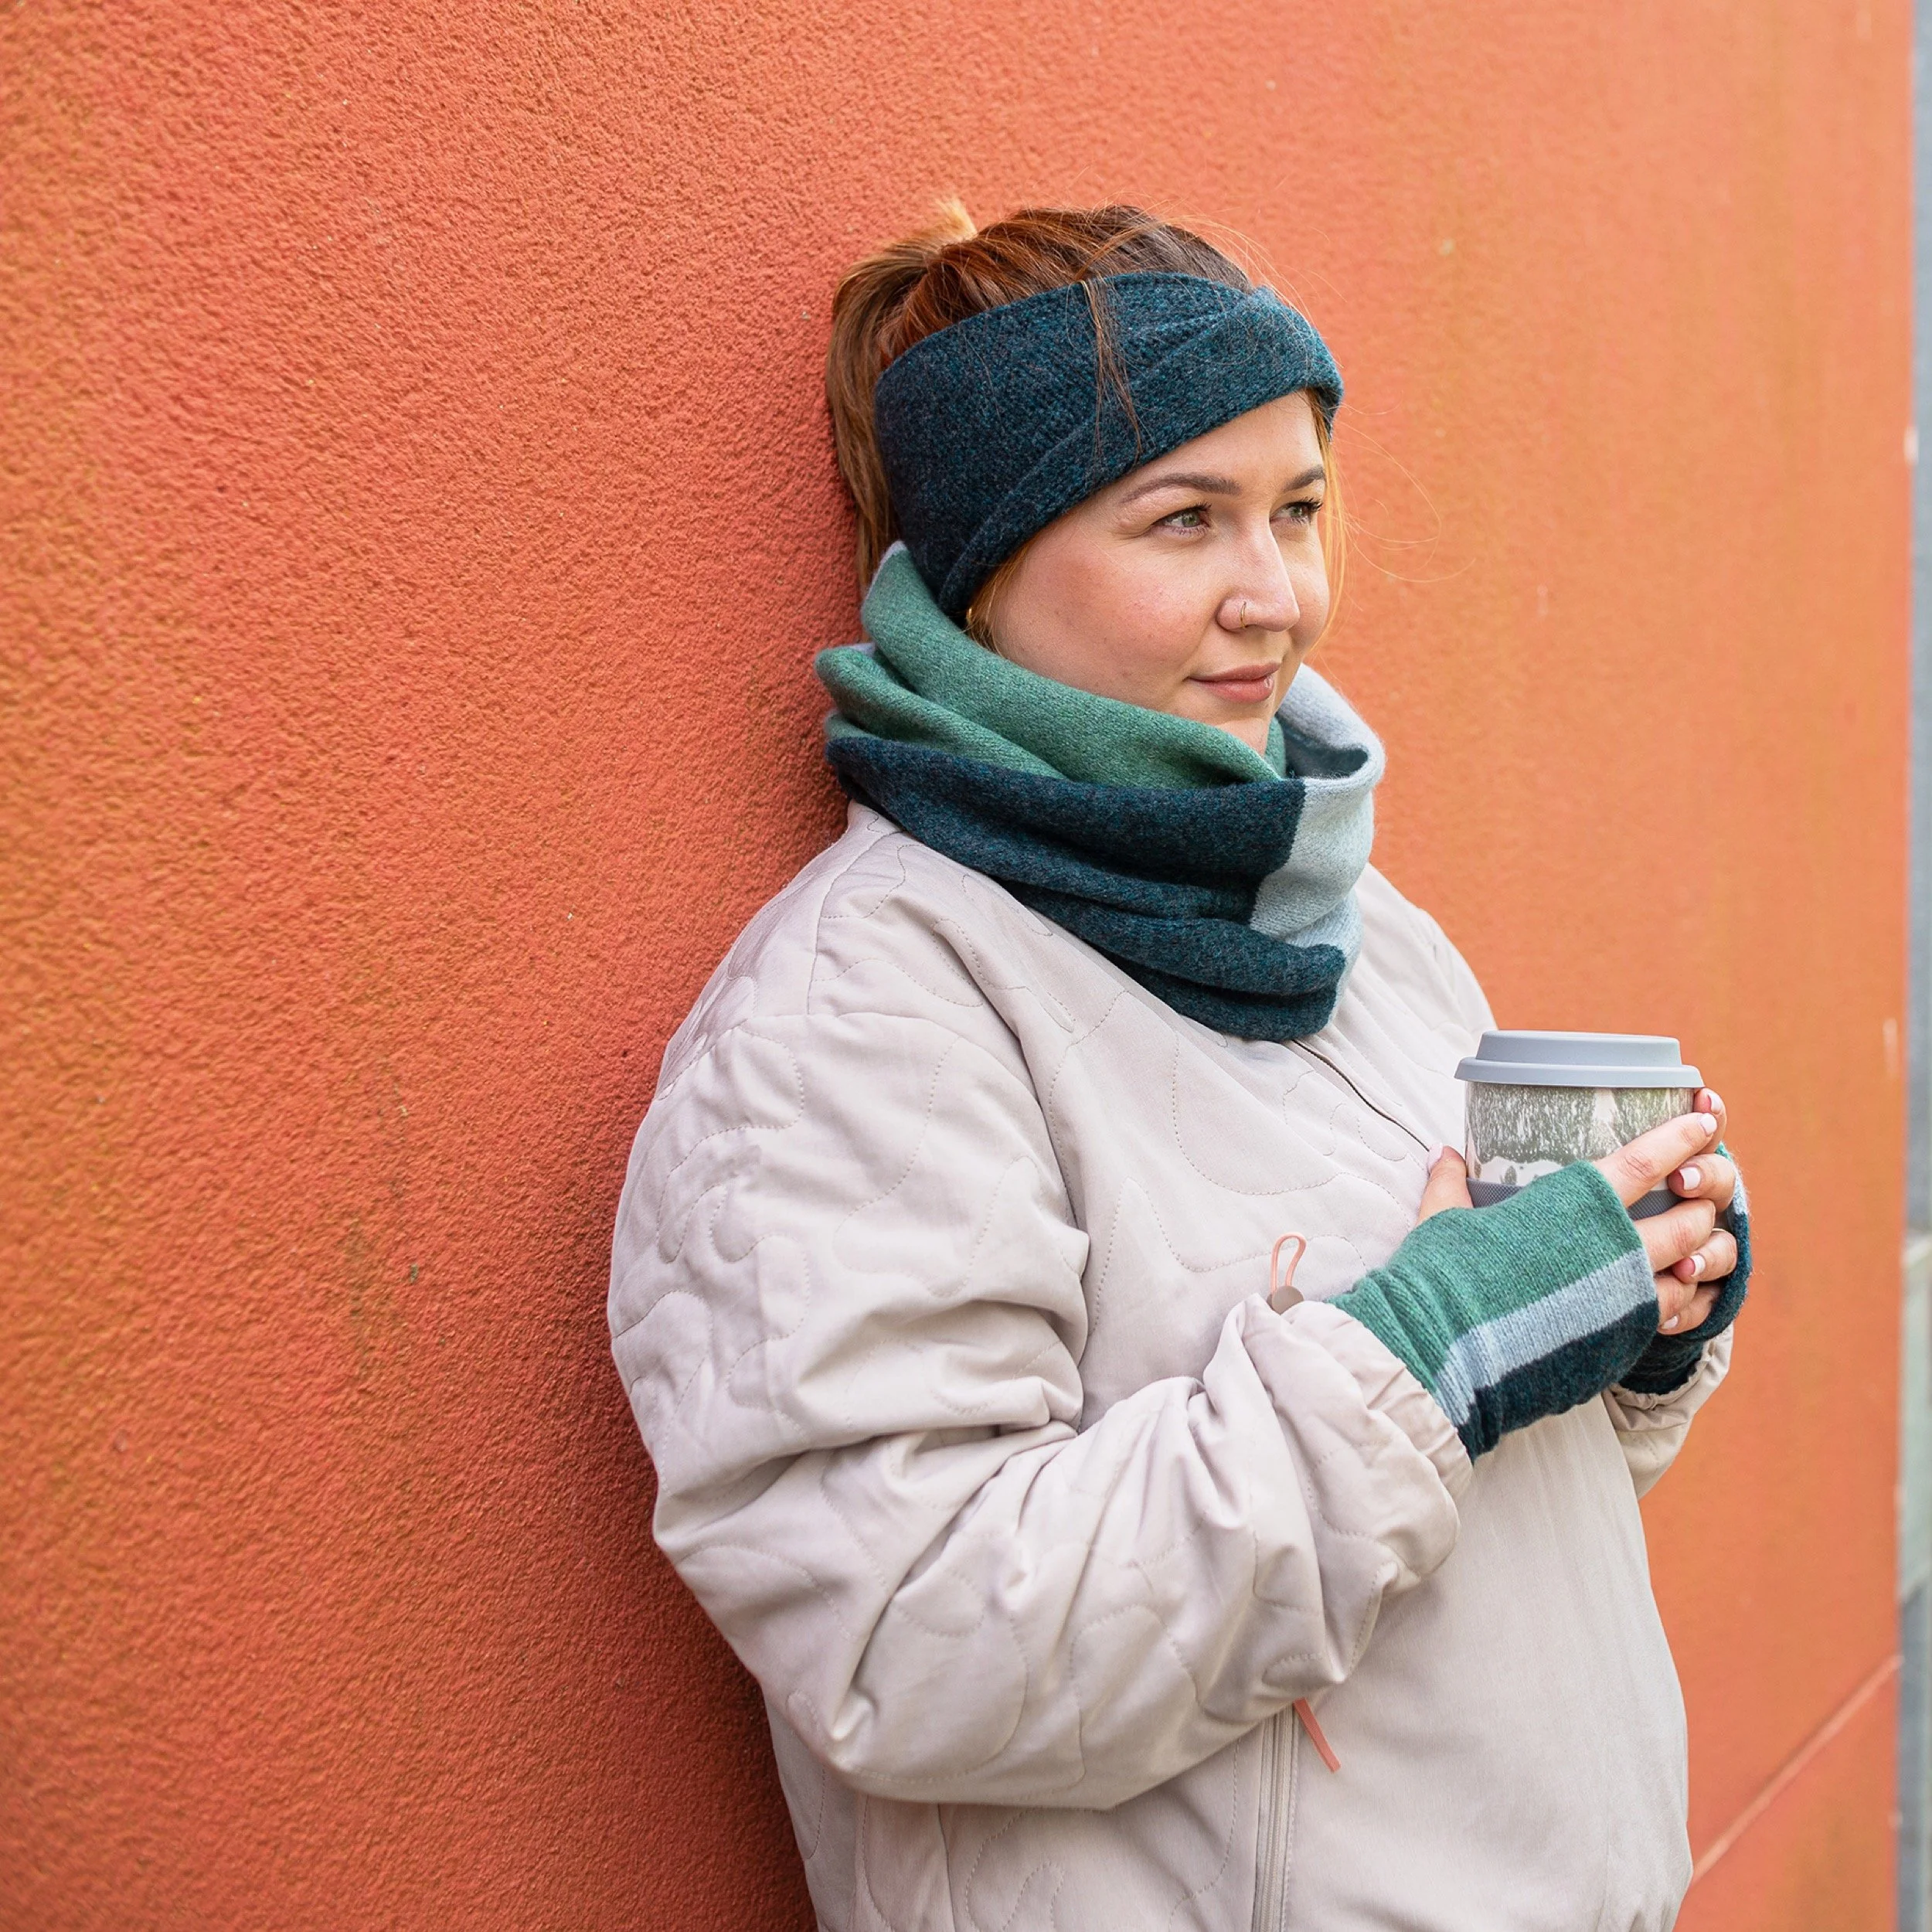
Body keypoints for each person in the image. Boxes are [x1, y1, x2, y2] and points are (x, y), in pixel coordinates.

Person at [608, 202, 1750, 1931]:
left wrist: (1622, 1325)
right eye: (1182, 519)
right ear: (984, 566)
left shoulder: (1361, 936)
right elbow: (910, 1642)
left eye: (1296, 509)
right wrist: (1432, 1347)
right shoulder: (863, 1013)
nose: (1273, 593)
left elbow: (1448, 1504)